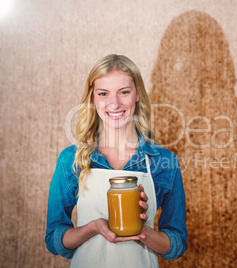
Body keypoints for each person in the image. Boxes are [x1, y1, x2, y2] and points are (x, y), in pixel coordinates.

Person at [45, 54, 187, 267]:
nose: (114, 103)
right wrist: (93, 227)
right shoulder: (71, 160)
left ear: (137, 94)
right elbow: (55, 240)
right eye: (103, 93)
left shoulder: (164, 162)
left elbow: (176, 245)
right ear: (93, 97)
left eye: (124, 92)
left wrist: (142, 231)